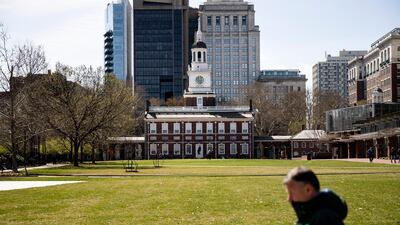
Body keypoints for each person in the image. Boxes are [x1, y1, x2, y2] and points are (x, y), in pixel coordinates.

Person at [283, 167, 347, 225]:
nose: (289, 199)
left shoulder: (324, 218)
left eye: (292, 193)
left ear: (308, 189)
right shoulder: (310, 213)